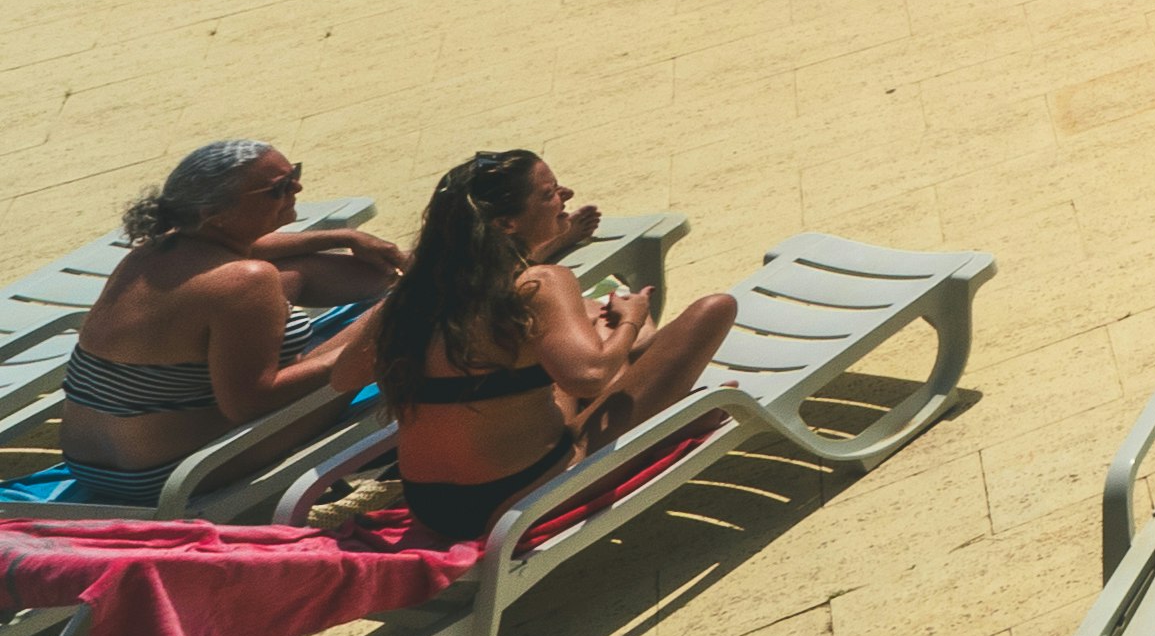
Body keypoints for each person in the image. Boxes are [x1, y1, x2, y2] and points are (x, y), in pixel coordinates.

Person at [374, 149, 737, 543]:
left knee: (569, 340)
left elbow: (344, 375)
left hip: (432, 507)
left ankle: (648, 378)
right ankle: (666, 412)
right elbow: (589, 378)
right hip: (519, 497)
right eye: (548, 193)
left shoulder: (412, 294)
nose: (565, 193)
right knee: (713, 309)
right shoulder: (541, 283)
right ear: (507, 223)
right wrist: (631, 319)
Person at [41, 139, 403, 508]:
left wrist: (345, 236)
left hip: (92, 463)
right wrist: (358, 350)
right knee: (406, 309)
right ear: (215, 214)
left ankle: (398, 277)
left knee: (295, 270)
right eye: (278, 189)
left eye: (293, 175)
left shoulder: (152, 253)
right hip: (178, 474)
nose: (297, 189)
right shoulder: (244, 281)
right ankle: (409, 289)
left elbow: (248, 252)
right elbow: (250, 403)